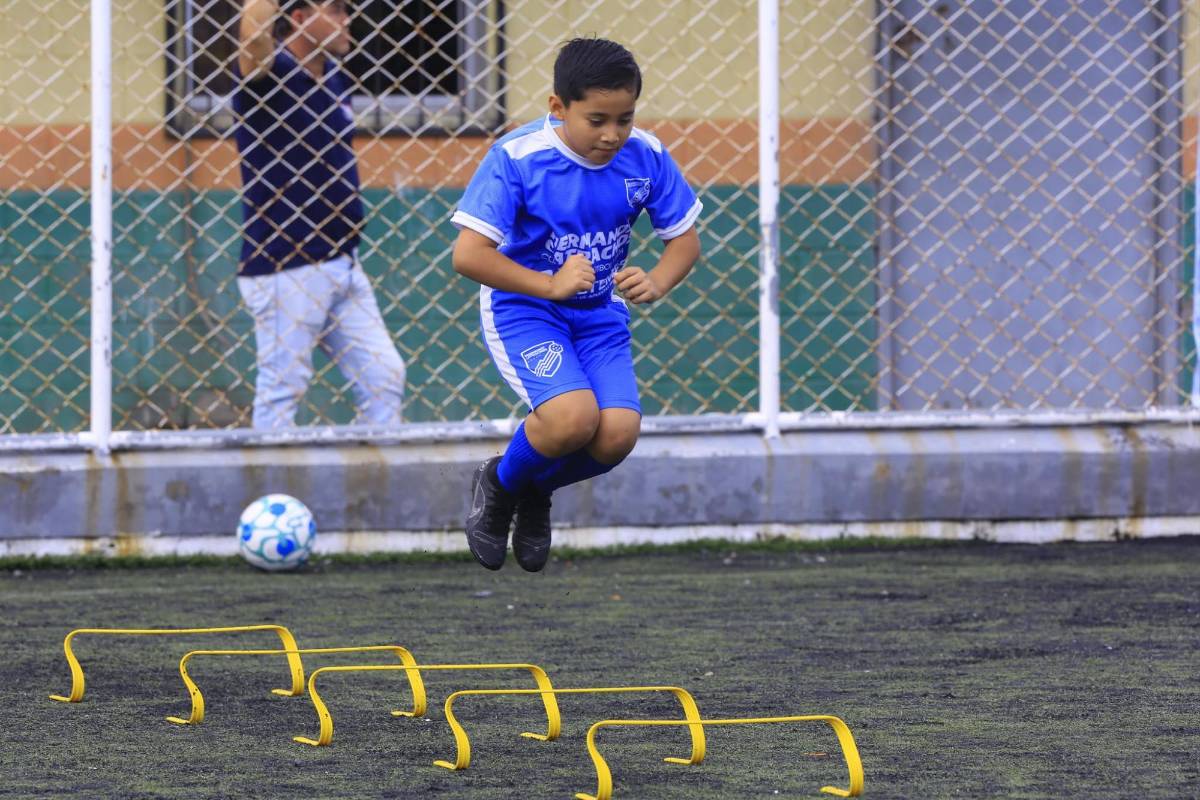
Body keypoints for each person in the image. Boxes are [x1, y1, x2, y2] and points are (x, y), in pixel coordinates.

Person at [450, 37, 702, 571]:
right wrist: (549, 286)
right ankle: (498, 485)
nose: (612, 135)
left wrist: (658, 280)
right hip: (526, 310)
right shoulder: (518, 159)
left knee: (616, 436)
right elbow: (468, 256)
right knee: (571, 421)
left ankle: (527, 487)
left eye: (625, 118)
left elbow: (684, 241)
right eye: (596, 120)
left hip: (599, 316)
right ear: (557, 107)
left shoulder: (647, 155)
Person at [232, 0, 406, 429]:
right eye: (336, 10)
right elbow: (253, 43)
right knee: (282, 388)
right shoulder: (270, 76)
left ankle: (369, 483)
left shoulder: (331, 76)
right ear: (299, 18)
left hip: (342, 260)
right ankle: (268, 492)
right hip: (285, 264)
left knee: (385, 377)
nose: (348, 20)